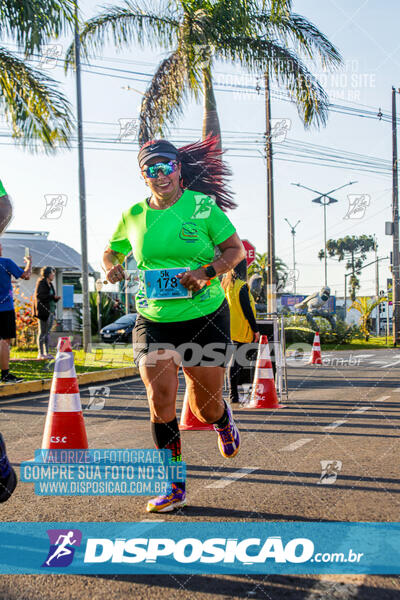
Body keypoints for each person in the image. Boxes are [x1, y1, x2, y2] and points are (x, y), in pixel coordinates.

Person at [103, 136, 246, 513]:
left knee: (204, 409)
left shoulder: (201, 207)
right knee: (160, 398)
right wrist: (111, 266)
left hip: (204, 316)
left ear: (179, 169)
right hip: (153, 317)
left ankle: (224, 419)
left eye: (166, 166)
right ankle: (173, 485)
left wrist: (206, 271)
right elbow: (110, 250)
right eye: (151, 169)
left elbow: (235, 251)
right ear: (143, 175)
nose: (160, 174)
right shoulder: (133, 214)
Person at [222, 259, 260, 404]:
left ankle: (234, 394)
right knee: (237, 361)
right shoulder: (242, 286)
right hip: (242, 328)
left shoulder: (226, 285)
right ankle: (234, 395)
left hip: (230, 327)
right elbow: (247, 310)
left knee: (235, 360)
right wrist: (255, 329)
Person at [0, 242, 32, 383]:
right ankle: (5, 375)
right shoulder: (6, 263)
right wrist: (29, 263)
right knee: (4, 342)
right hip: (5, 308)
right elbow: (26, 276)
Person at [33, 266, 60, 359]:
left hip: (51, 311)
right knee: (42, 332)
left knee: (48, 332)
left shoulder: (50, 284)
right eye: (52, 273)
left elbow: (51, 297)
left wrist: (55, 299)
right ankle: (40, 353)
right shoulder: (41, 283)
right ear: (48, 274)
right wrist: (52, 297)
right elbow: (40, 296)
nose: (53, 275)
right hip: (43, 312)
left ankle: (47, 352)